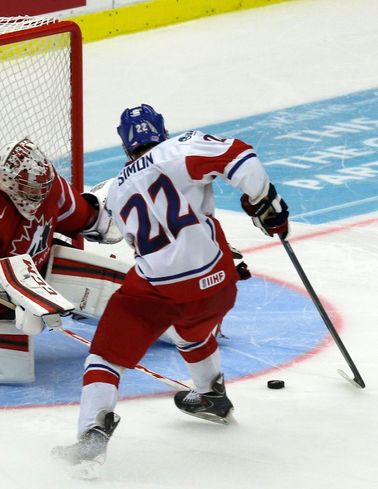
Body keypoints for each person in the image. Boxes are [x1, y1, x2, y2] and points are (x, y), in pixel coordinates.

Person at [53, 104, 289, 471]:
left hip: (161, 292)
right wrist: (264, 202)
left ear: (126, 147)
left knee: (106, 356)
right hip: (219, 283)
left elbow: (118, 234)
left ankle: (91, 434)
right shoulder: (184, 147)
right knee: (191, 328)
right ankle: (211, 395)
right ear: (160, 132)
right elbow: (242, 156)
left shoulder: (116, 190)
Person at [0, 137, 111, 321]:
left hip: (33, 273)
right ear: (7, 182)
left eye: (43, 189)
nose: (41, 196)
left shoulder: (47, 184)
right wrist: (26, 299)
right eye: (32, 191)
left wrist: (106, 216)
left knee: (67, 258)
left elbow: (83, 217)